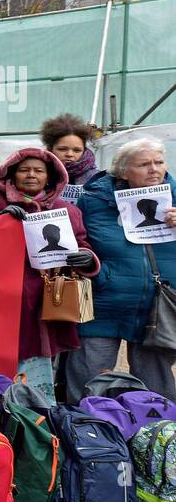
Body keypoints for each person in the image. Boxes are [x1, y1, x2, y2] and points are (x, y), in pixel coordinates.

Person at [0, 148, 99, 400]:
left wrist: (86, 258)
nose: (31, 175)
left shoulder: (66, 209)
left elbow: (82, 243)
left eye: (38, 170)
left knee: (40, 359)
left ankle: (35, 414)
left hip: (48, 300)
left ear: (49, 177)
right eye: (24, 170)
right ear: (12, 174)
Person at [64, 138, 176, 401]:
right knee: (88, 382)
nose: (154, 169)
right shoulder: (93, 201)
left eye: (159, 163)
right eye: (144, 164)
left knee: (157, 388)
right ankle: (86, 434)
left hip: (159, 308)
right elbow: (78, 242)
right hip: (104, 304)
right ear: (124, 171)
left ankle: (158, 438)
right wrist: (97, 272)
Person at [40, 113, 102, 203]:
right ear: (51, 149)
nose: (69, 154)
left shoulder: (98, 179)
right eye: (62, 149)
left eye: (76, 150)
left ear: (84, 150)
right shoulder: (38, 174)